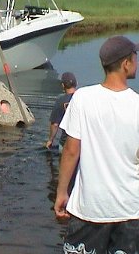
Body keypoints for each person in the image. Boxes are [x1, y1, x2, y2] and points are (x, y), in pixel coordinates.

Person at [54, 35, 139, 253]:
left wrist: (62, 192)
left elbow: (71, 151)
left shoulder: (83, 98)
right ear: (125, 63)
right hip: (131, 211)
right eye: (135, 57)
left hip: (90, 209)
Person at [45, 72, 77, 152]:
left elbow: (55, 124)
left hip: (66, 142)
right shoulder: (83, 98)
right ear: (76, 83)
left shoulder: (60, 101)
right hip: (82, 141)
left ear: (63, 85)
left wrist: (50, 140)